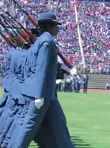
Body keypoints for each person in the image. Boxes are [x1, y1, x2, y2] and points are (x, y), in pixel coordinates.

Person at [9, 12, 74, 148]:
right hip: (42, 94)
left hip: (49, 94)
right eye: (56, 25)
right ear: (49, 26)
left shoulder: (43, 41)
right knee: (29, 126)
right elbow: (41, 68)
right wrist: (38, 95)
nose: (58, 29)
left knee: (59, 123)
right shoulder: (46, 42)